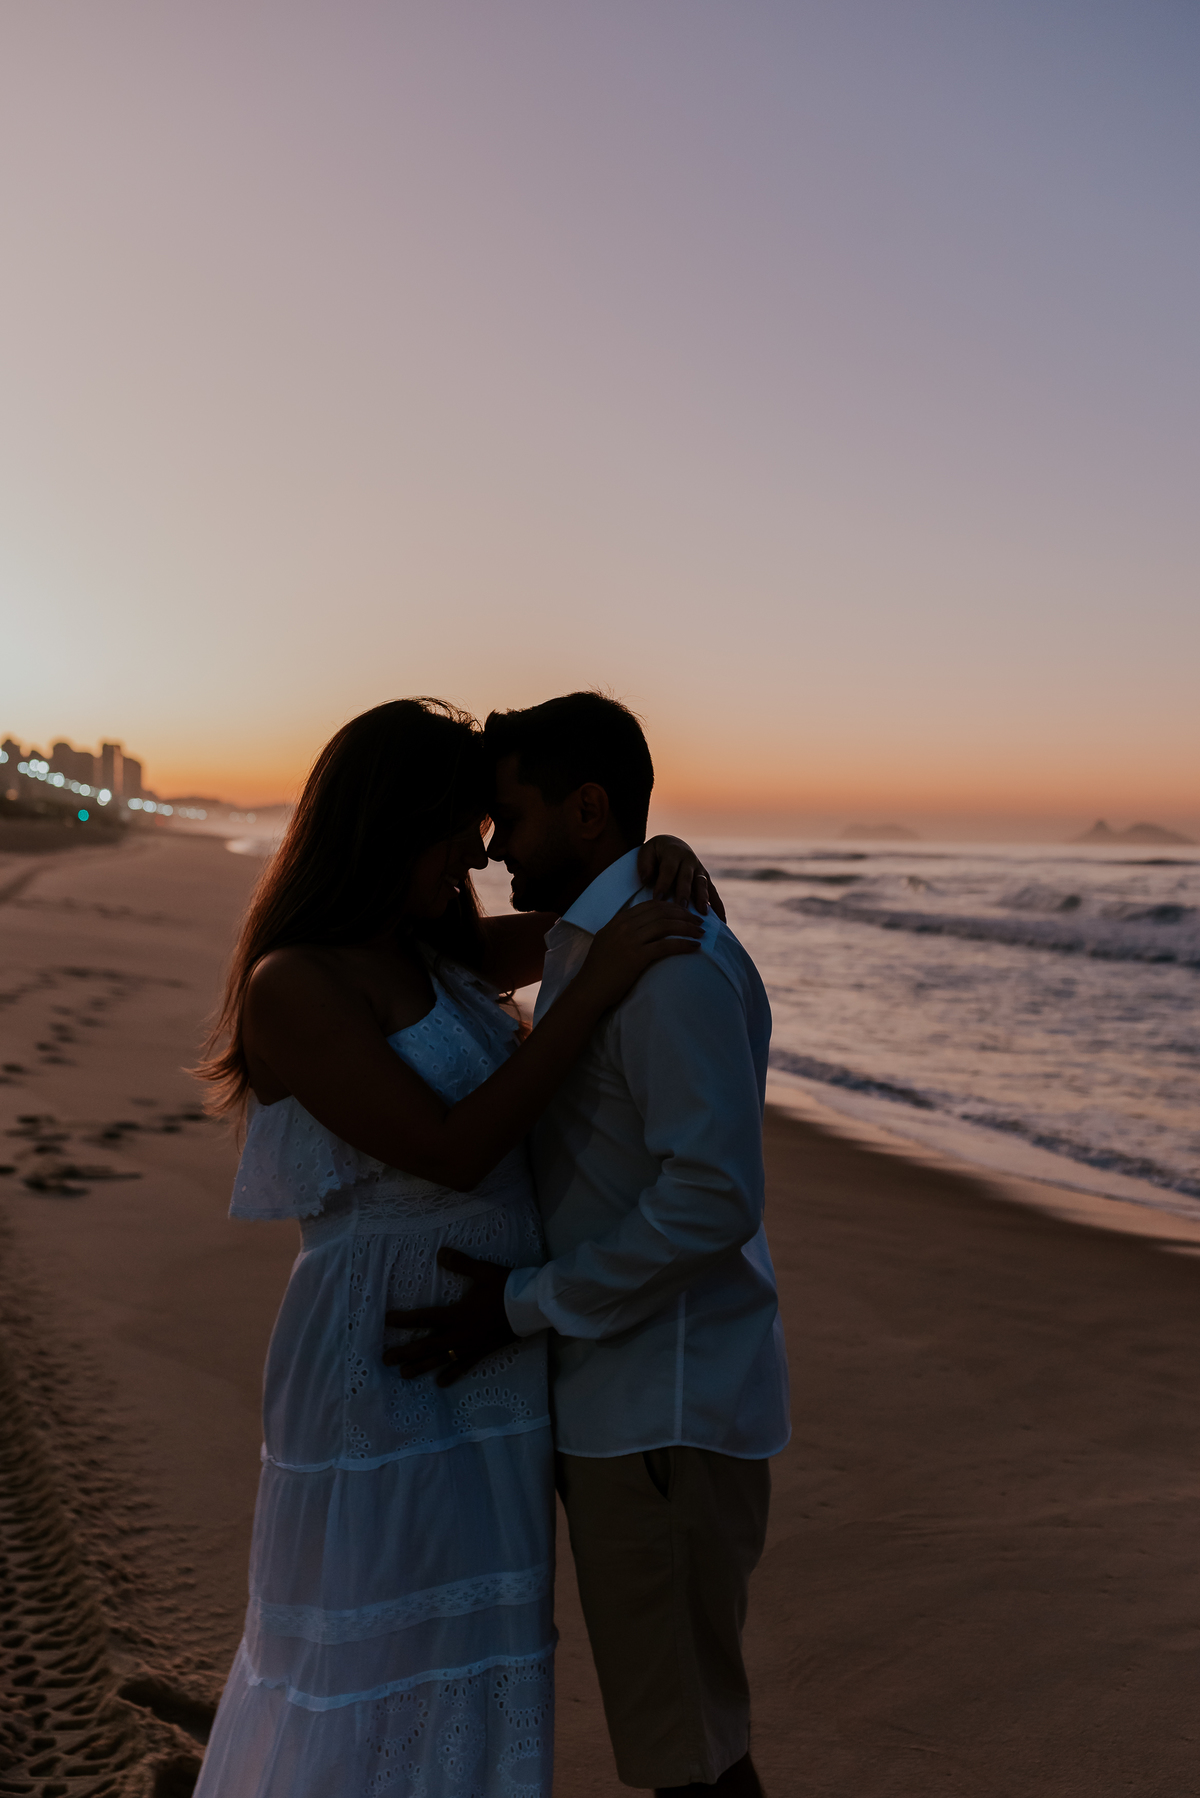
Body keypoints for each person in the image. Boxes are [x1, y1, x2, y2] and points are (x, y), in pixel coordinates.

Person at [191, 697, 718, 1798]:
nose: (478, 851)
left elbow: (586, 918)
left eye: (488, 825)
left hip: (491, 1354)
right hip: (385, 1356)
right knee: (376, 1652)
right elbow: (454, 1145)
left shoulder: (433, 948)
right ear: (388, 823)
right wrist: (605, 983)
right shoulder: (297, 981)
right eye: (457, 828)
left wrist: (646, 856)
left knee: (477, 1651)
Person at [386, 693, 790, 1797]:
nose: (494, 844)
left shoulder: (663, 960)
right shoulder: (591, 942)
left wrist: (521, 1302)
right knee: (682, 1736)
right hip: (623, 1400)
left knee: (689, 1756)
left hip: (663, 1406)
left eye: (510, 816)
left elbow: (713, 1199)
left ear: (590, 809)